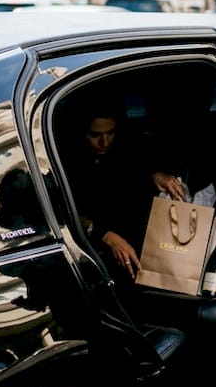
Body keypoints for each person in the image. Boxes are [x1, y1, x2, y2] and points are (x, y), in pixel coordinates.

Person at [61, 99, 185, 283]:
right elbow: (64, 212)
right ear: (81, 133)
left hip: (145, 252)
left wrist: (155, 174)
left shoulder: (127, 154)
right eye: (95, 135)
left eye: (110, 133)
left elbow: (136, 164)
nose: (104, 142)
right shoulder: (66, 165)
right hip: (94, 254)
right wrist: (106, 235)